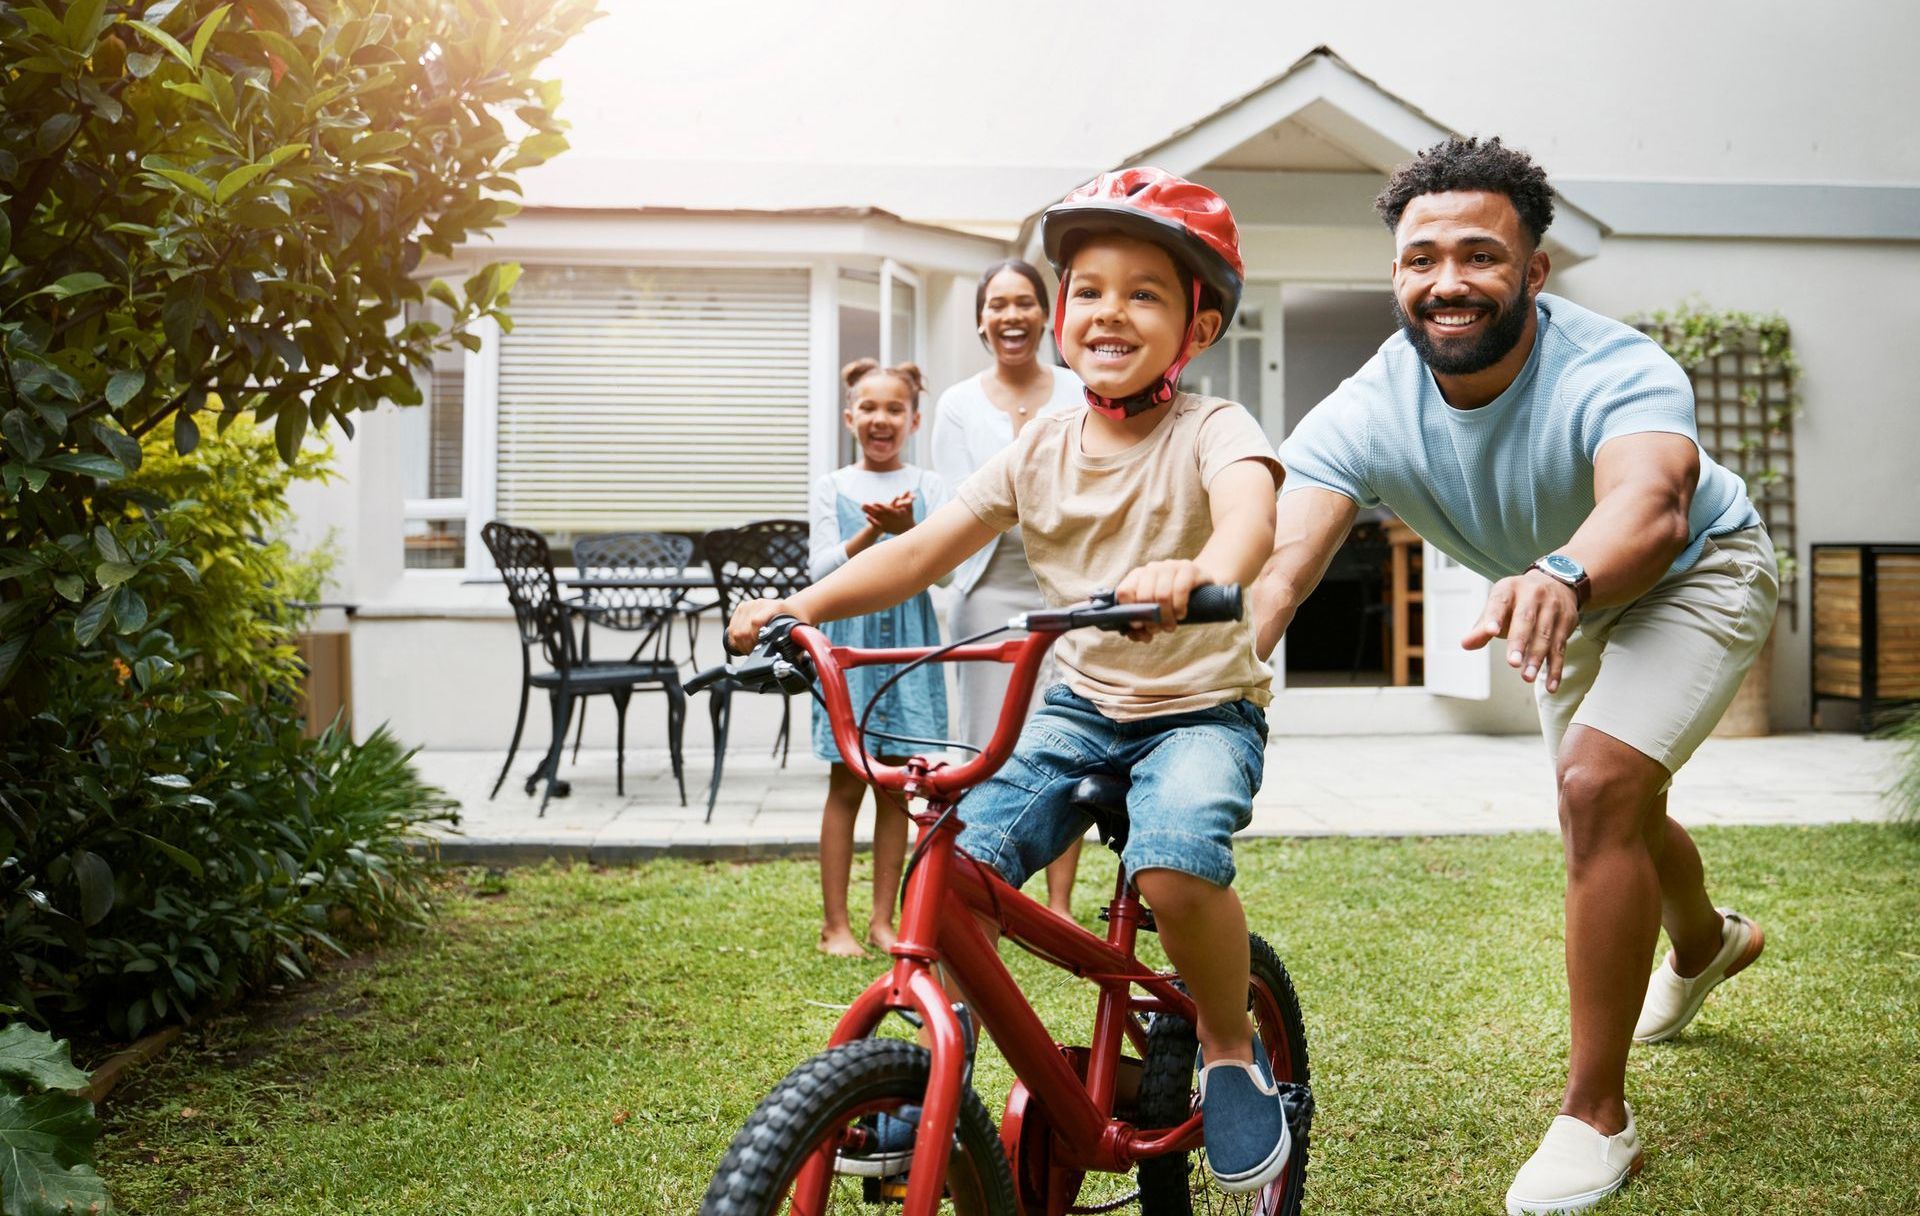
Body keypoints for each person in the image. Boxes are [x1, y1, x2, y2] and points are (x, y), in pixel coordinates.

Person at [731, 167, 1292, 1192]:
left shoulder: (1214, 429)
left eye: (1145, 292)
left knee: (1171, 860)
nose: (1108, 309)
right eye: (1088, 287)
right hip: (1079, 706)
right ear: (1063, 309)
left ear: (1199, 326)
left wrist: (1203, 573)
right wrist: (801, 606)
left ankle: (1223, 1040)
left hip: (1199, 706)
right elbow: (922, 553)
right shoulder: (1041, 447)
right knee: (955, 872)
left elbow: (1252, 517)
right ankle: (929, 1085)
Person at [1251, 137, 1777, 1215]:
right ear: (1396, 272)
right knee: (1615, 805)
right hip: (1560, 593)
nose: (1448, 282)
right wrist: (1227, 645)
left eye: (1481, 256)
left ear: (1535, 271)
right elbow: (1284, 561)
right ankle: (1706, 939)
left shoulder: (1614, 366)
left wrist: (1565, 571)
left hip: (1690, 572)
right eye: (1421, 258)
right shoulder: (1367, 406)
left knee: (1596, 789)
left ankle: (1598, 1117)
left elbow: (1653, 502)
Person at [931, 259, 1088, 919]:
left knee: (1066, 737)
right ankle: (983, 886)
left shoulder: (1081, 390)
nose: (1011, 316)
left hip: (1069, 592)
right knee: (984, 745)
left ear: (1045, 315)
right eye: (998, 305)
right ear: (980, 321)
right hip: (987, 589)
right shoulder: (958, 404)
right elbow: (959, 506)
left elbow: (1089, 489)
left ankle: (1055, 902)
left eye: (1024, 302)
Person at [806, 358, 950, 957]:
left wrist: (911, 527)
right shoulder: (833, 487)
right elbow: (816, 572)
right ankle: (834, 924)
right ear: (849, 418)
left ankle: (882, 921)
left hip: (908, 652)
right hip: (851, 651)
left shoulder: (931, 486)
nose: (880, 418)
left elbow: (945, 571)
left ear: (913, 419)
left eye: (894, 409)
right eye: (868, 408)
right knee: (847, 783)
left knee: (900, 789)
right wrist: (872, 533)